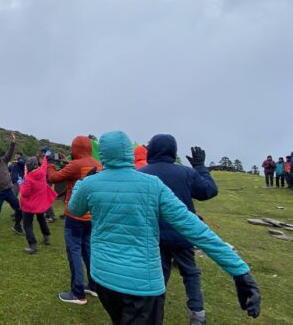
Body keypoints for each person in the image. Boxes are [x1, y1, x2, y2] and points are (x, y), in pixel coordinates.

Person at [68, 131, 261, 324]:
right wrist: (239, 270)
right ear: (129, 151)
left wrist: (81, 183)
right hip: (142, 284)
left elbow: (75, 209)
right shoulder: (152, 185)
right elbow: (194, 228)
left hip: (104, 277)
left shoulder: (91, 184)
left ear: (103, 153)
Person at [139, 134, 218, 325]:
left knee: (158, 275)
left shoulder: (141, 173)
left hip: (154, 233)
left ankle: (153, 314)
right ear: (173, 151)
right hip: (182, 232)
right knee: (190, 272)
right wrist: (200, 167)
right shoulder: (186, 173)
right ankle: (197, 314)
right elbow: (208, 191)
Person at [46, 136, 102, 305]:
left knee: (75, 252)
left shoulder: (76, 165)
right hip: (91, 216)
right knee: (88, 250)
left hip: (75, 215)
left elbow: (54, 178)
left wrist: (50, 164)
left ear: (75, 148)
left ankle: (78, 293)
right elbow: (77, 171)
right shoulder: (97, 164)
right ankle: (93, 286)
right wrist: (66, 162)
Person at [19, 157, 56, 254]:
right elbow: (44, 164)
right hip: (40, 204)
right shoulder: (43, 171)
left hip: (29, 205)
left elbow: (25, 193)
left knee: (27, 225)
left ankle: (33, 245)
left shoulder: (29, 178)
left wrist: (20, 184)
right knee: (42, 219)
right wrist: (45, 157)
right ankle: (47, 237)